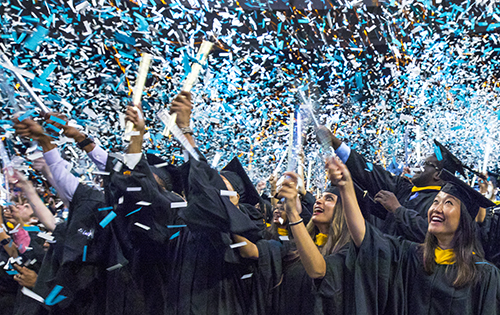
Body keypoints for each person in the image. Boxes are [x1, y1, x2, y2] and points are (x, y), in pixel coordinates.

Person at [325, 156, 500, 314]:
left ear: (464, 219)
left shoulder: (484, 275)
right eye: (436, 201)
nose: (437, 209)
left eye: (448, 203)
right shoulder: (411, 256)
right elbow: (364, 237)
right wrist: (346, 186)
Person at [317, 126, 461, 242]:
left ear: (437, 174)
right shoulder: (404, 189)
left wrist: (397, 209)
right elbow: (373, 174)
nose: (417, 166)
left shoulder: (438, 204)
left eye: (425, 164)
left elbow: (428, 232)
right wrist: (336, 144)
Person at [236, 175, 353, 315]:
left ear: (343, 210)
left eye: (329, 199)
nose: (319, 201)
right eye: (320, 197)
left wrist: (292, 212)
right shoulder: (296, 246)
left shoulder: (348, 252)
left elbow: (319, 271)